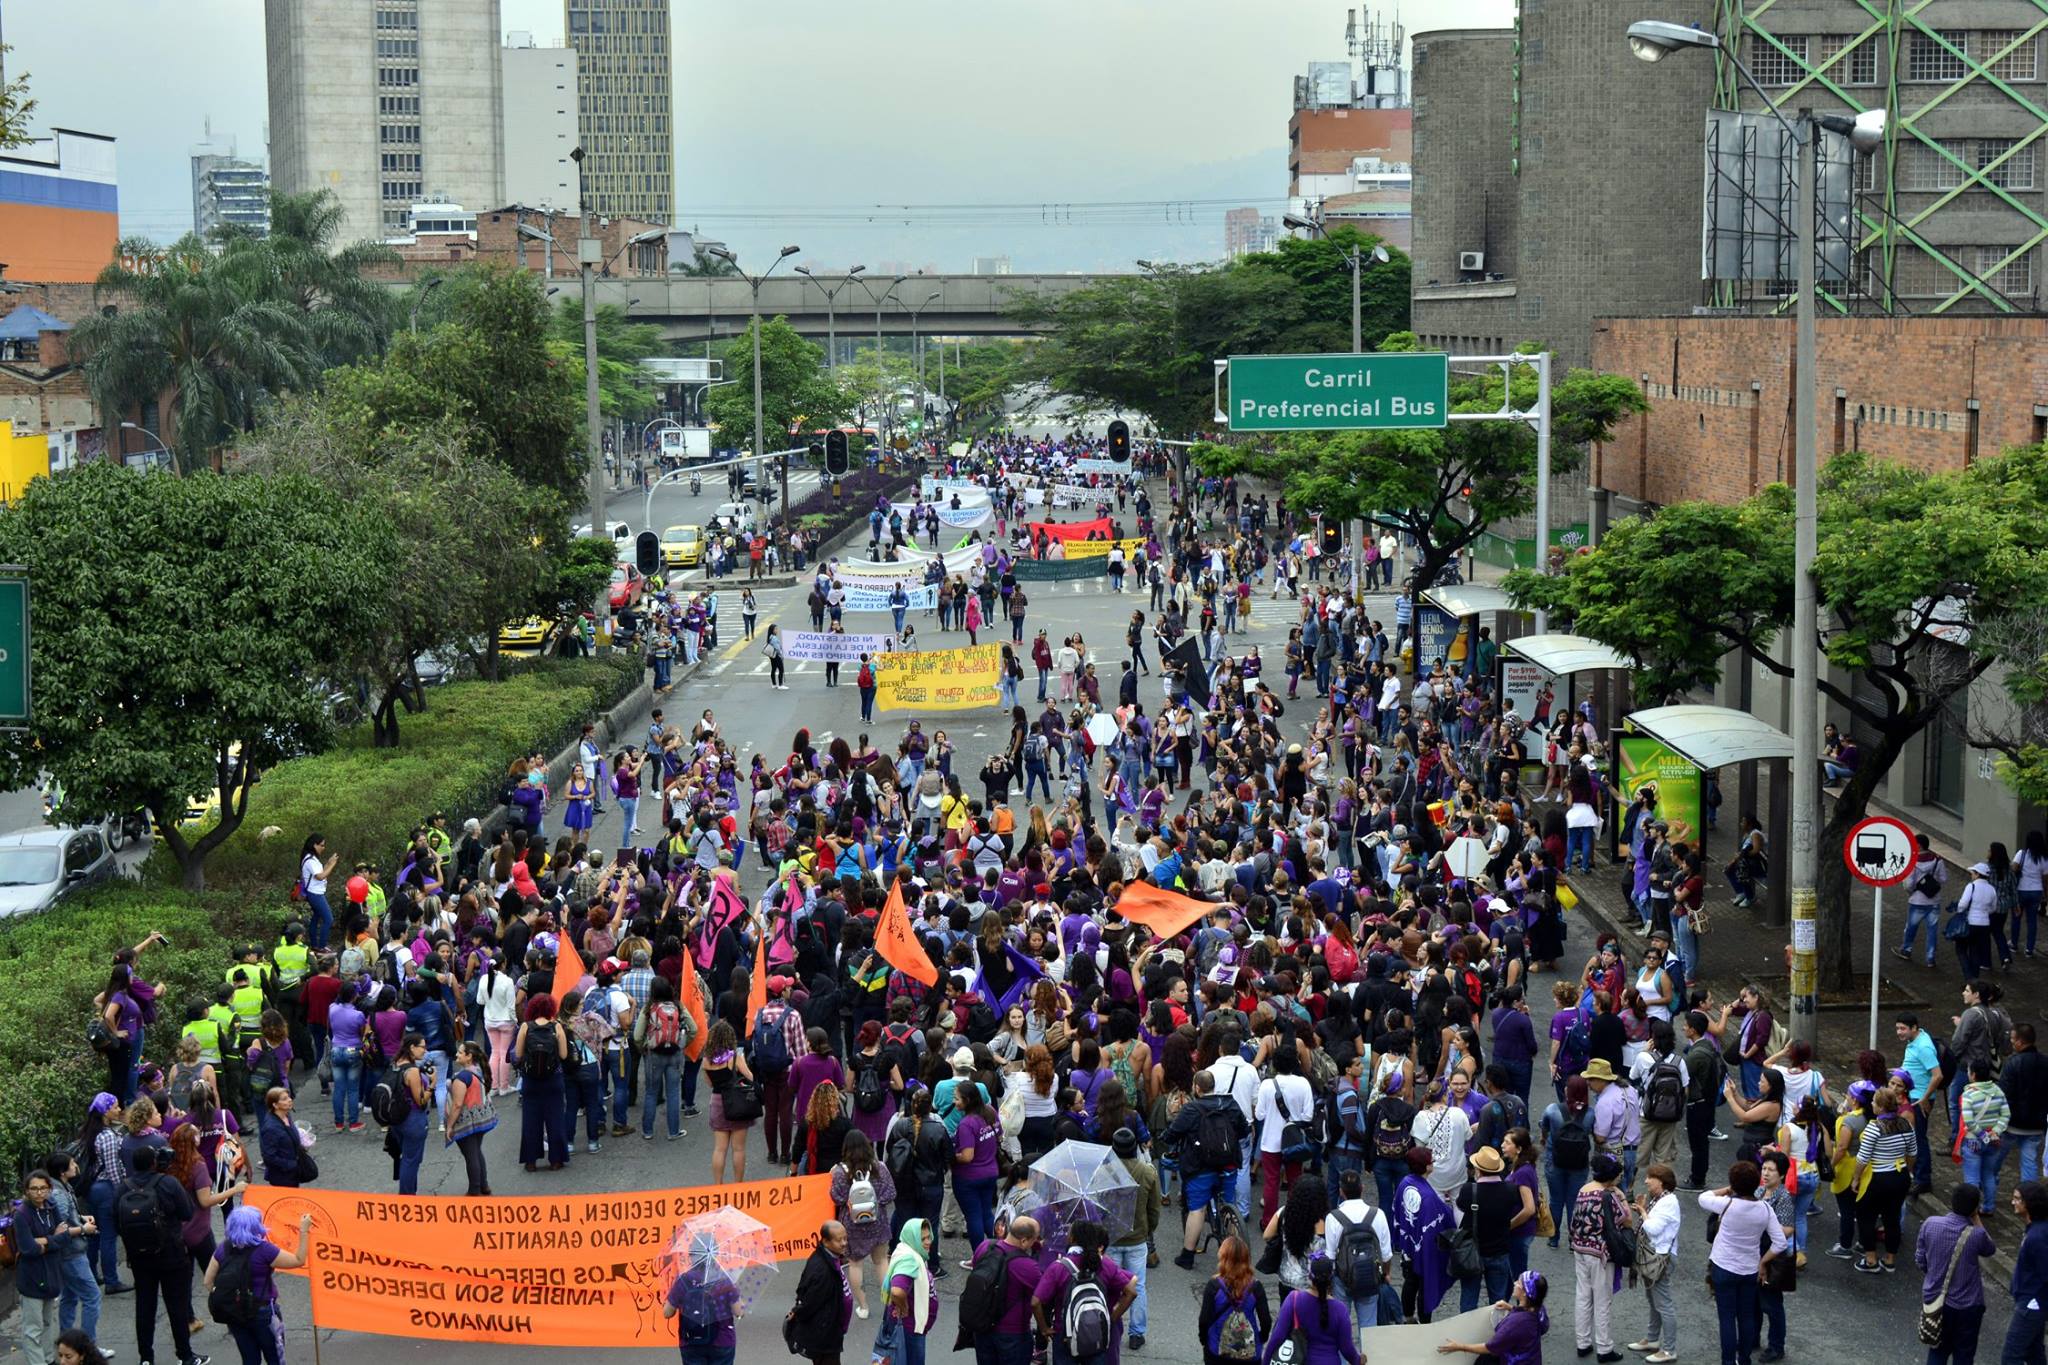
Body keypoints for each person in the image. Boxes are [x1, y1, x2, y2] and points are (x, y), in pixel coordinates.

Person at [115, 1146, 206, 1365]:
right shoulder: (168, 1183)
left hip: (139, 1257)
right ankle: (185, 1355)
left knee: (145, 1306)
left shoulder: (123, 1188)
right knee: (177, 1305)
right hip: (171, 1253)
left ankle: (146, 1358)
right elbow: (187, 1212)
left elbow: (116, 1222)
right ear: (154, 1162)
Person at [1700, 1160, 1786, 1365]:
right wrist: (1763, 1262)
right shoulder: (1764, 1209)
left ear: (1734, 1184)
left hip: (1723, 1266)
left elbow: (1703, 1197)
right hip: (1749, 1269)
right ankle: (1744, 1359)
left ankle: (1728, 1361)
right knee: (1746, 1316)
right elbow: (1780, 1242)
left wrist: (1728, 1189)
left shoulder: (1727, 1204)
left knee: (1727, 1318)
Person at [203, 1205, 311, 1365]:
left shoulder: (223, 1248)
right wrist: (304, 1231)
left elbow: (207, 1282)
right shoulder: (264, 1250)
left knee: (249, 1359)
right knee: (275, 1357)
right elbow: (298, 1260)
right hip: (263, 1312)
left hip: (235, 1314)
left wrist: (232, 1298)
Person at [1167, 1068, 1250, 1269]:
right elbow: (1243, 1130)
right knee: (1229, 1203)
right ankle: (1234, 1250)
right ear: (1214, 1086)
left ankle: (1187, 1256)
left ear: (1197, 1087)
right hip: (1228, 1162)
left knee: (1197, 1209)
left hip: (1200, 1166)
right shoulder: (1230, 1103)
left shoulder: (1192, 1109)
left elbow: (1174, 1133)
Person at [1033, 1219, 1137, 1365]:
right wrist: (1112, 1317)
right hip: (1097, 1332)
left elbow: (1035, 1301)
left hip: (1065, 1334)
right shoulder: (1105, 1263)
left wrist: (1044, 1328)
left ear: (1072, 1238)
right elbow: (1131, 1292)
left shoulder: (1058, 1267)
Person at [1916, 1183, 1996, 1365]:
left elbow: (1920, 1258)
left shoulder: (1930, 1224)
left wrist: (1932, 1275)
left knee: (1937, 1352)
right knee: (1964, 1355)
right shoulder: (1976, 1235)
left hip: (1936, 1301)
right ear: (1974, 1208)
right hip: (1968, 1306)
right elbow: (1990, 1249)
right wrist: (1976, 1218)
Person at [1568, 1151, 1631, 1362]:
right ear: (1611, 1176)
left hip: (1580, 1248)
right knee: (1602, 1300)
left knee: (1583, 1296)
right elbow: (1626, 1219)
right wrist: (1621, 1196)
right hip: (1600, 1253)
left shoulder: (1583, 1190)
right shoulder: (1608, 1195)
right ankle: (1604, 1348)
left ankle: (1583, 1342)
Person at [831, 1130, 898, 1319]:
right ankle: (889, 1301)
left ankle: (863, 1306)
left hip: (852, 1227)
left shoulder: (840, 1171)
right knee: (882, 1261)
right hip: (878, 1223)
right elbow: (891, 1194)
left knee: (855, 1264)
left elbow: (836, 1198)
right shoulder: (880, 1168)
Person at [1322, 1166, 1393, 1341]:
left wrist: (1329, 1285)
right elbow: (1386, 1254)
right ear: (1362, 1188)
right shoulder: (1378, 1215)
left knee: (1341, 1330)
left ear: (1341, 1191)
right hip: (1370, 1277)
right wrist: (1386, 1274)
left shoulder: (1333, 1217)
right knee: (1368, 1330)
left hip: (1342, 1279)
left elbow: (1330, 1256)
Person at [1108, 1127, 1162, 1350]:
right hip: (1138, 1239)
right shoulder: (1147, 1172)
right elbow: (1154, 1208)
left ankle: (1111, 1327)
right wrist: (1148, 1230)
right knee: (1137, 1286)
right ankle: (1137, 1333)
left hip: (1111, 1238)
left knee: (1110, 1287)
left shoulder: (1104, 1172)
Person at [1258, 1252, 1359, 1365]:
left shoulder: (1294, 1299)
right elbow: (1347, 1349)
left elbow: (1277, 1337)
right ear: (1331, 1278)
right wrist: (1358, 1360)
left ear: (1310, 1276)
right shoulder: (1340, 1310)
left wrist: (1265, 1362)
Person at [1434, 1269, 1550, 1364]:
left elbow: (1490, 1348)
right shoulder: (1539, 1310)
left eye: (1518, 1283)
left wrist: (1459, 1346)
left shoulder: (1516, 1323)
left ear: (1525, 1293)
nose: (1514, 1283)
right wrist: (1510, 1307)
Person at [1626, 1164, 1681, 1364]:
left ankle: (1669, 1349)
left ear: (1662, 1181)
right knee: (1653, 1300)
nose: (1647, 1181)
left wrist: (1642, 1211)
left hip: (1660, 1259)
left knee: (1663, 1304)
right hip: (1654, 1257)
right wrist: (1644, 1208)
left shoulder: (1668, 1202)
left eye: (1651, 1177)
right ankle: (1652, 1339)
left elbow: (1653, 1229)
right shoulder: (1660, 1199)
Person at [787, 1221, 855, 1365]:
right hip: (825, 1336)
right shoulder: (823, 1271)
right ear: (826, 1241)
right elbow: (810, 1303)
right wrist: (797, 1311)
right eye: (839, 1240)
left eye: (845, 1238)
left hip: (830, 1330)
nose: (844, 1243)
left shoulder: (829, 1257)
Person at [953, 1079, 1005, 1266]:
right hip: (990, 1172)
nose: (954, 1102)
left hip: (968, 1177)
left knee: (973, 1217)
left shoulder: (967, 1124)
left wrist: (950, 1155)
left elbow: (967, 1156)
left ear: (967, 1100)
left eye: (957, 1098)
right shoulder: (990, 1112)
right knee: (986, 1213)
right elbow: (999, 1135)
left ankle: (978, 1258)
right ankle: (1001, 1251)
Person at [873, 1218, 939, 1365]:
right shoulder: (910, 1260)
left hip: (909, 1328)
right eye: (923, 1239)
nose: (928, 1242)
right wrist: (904, 1307)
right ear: (913, 1239)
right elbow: (897, 1291)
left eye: (929, 1237)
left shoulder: (907, 1249)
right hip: (908, 1331)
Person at [1198, 1235, 1272, 1365]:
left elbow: (1204, 1319)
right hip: (1249, 1353)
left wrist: (1205, 1340)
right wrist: (1261, 1338)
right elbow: (1266, 1320)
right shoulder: (1255, 1287)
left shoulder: (1214, 1285)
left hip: (1217, 1351)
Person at [2003, 1180, 2048, 1365]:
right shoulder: (2037, 1229)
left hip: (2031, 1304)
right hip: (2034, 1302)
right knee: (2033, 1352)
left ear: (2029, 1203)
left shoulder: (2036, 1237)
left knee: (2011, 1355)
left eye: (2017, 1199)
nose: (2013, 1202)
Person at [443, 1040, 496, 1197]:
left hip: (468, 1121)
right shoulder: (478, 1070)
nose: (457, 1054)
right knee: (476, 1152)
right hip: (482, 1118)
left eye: (460, 1052)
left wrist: (450, 1126)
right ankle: (483, 1185)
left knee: (470, 1155)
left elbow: (457, 1105)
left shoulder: (463, 1077)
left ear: (469, 1056)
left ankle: (474, 1190)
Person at [386, 1033, 434, 1194]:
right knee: (410, 1160)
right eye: (422, 1047)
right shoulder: (412, 1071)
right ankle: (407, 1197)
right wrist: (432, 1084)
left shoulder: (395, 1063)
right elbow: (420, 1100)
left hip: (396, 1118)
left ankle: (409, 1193)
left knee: (407, 1157)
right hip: (413, 1119)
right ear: (412, 1047)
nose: (425, 1051)